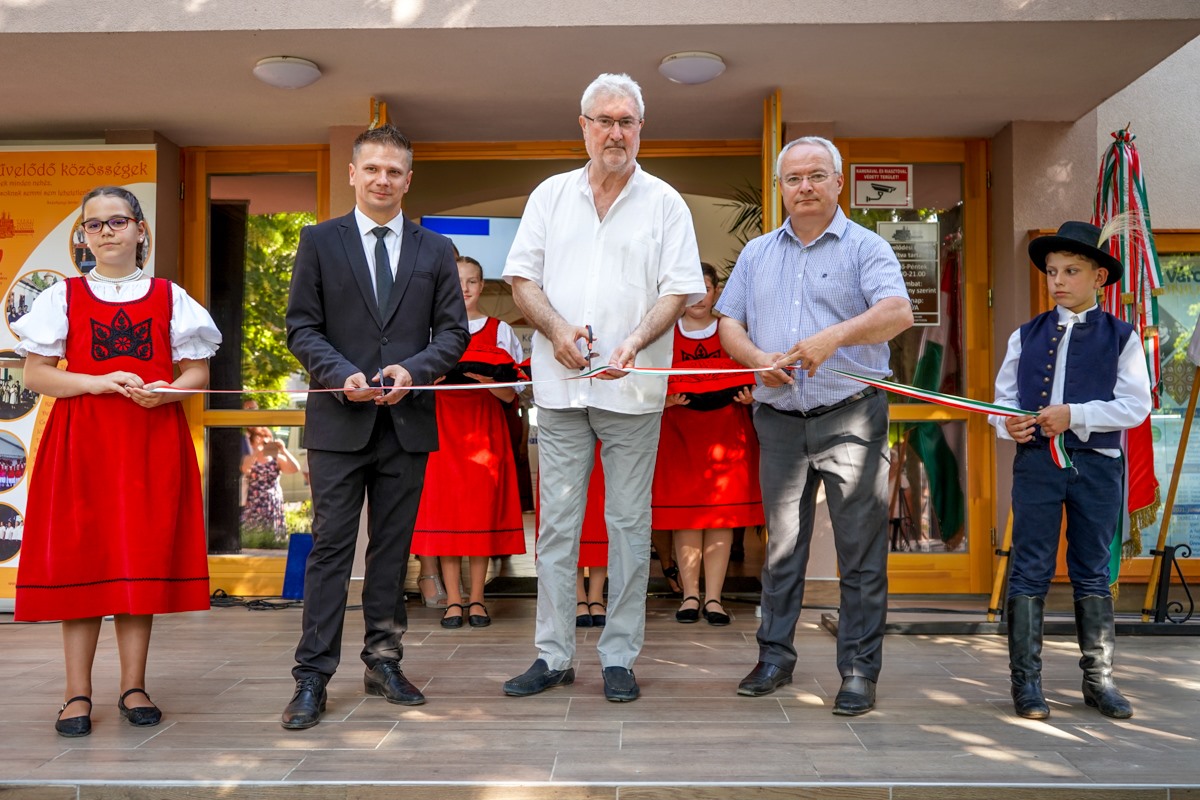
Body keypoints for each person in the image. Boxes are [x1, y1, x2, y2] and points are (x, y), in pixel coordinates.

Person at [501, 72, 704, 703]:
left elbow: (679, 289)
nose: (616, 133)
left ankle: (619, 656)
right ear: (584, 127)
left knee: (628, 527)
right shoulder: (550, 195)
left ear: (641, 129)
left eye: (626, 122)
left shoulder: (666, 202)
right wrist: (557, 330)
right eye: (604, 121)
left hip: (631, 392)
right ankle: (553, 655)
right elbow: (522, 280)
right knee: (557, 529)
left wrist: (635, 341)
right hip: (561, 391)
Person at [12, 185, 221, 737]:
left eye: (117, 221)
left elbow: (198, 373)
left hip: (150, 440)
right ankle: (76, 692)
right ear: (83, 235)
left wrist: (170, 392)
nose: (105, 232)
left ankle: (133, 686)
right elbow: (36, 375)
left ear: (140, 229)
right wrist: (98, 382)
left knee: (136, 560)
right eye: (94, 224)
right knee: (83, 561)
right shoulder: (62, 296)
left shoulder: (170, 297)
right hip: (82, 442)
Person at [716, 136, 913, 715]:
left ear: (838, 182)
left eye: (816, 175)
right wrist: (757, 359)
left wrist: (834, 337)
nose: (805, 187)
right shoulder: (757, 254)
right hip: (778, 419)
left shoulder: (867, 247)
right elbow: (729, 324)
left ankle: (858, 671)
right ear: (780, 187)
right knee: (782, 548)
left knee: (860, 552)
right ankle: (774, 658)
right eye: (794, 178)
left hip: (852, 413)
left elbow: (897, 312)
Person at [282, 123, 470, 729]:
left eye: (394, 171)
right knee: (332, 549)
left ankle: (384, 660)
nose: (382, 180)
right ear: (353, 174)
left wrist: (415, 371)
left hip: (406, 423)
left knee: (392, 550)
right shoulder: (318, 241)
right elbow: (301, 327)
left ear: (408, 180)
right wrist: (341, 374)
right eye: (372, 169)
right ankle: (312, 676)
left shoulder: (435, 249)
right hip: (339, 422)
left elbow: (454, 334)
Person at [991, 219, 1150, 721]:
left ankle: (1099, 681)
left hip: (1098, 466)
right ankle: (1026, 683)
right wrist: (1008, 424)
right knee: (1030, 567)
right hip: (1038, 464)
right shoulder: (1025, 335)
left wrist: (1075, 415)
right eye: (1052, 271)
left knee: (1092, 569)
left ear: (1099, 277)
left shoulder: (1122, 337)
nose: (1058, 280)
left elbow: (1135, 406)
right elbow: (1002, 402)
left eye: (1071, 271)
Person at [410, 256, 526, 629]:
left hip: (484, 432)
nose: (464, 288)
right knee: (447, 517)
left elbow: (513, 394)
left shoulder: (500, 330)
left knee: (480, 517)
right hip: (441, 433)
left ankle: (477, 598)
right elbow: (413, 386)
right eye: (457, 281)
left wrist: (487, 380)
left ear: (482, 286)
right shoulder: (429, 331)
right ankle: (453, 600)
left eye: (472, 281)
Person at [652, 262, 764, 626]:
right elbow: (648, 380)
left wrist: (753, 395)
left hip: (726, 435)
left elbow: (757, 371)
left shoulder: (733, 330)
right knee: (685, 517)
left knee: (721, 518)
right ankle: (690, 595)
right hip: (679, 435)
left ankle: (714, 598)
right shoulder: (664, 333)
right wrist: (664, 399)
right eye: (691, 290)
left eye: (705, 289)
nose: (698, 297)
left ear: (717, 292)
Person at [240, 426, 301, 541]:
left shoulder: (276, 458)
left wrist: (283, 450)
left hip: (272, 502)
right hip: (255, 502)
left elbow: (295, 468)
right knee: (254, 535)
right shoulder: (249, 458)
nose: (264, 444)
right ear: (252, 443)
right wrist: (256, 452)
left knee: (272, 535)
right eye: (260, 440)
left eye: (267, 440)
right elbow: (245, 469)